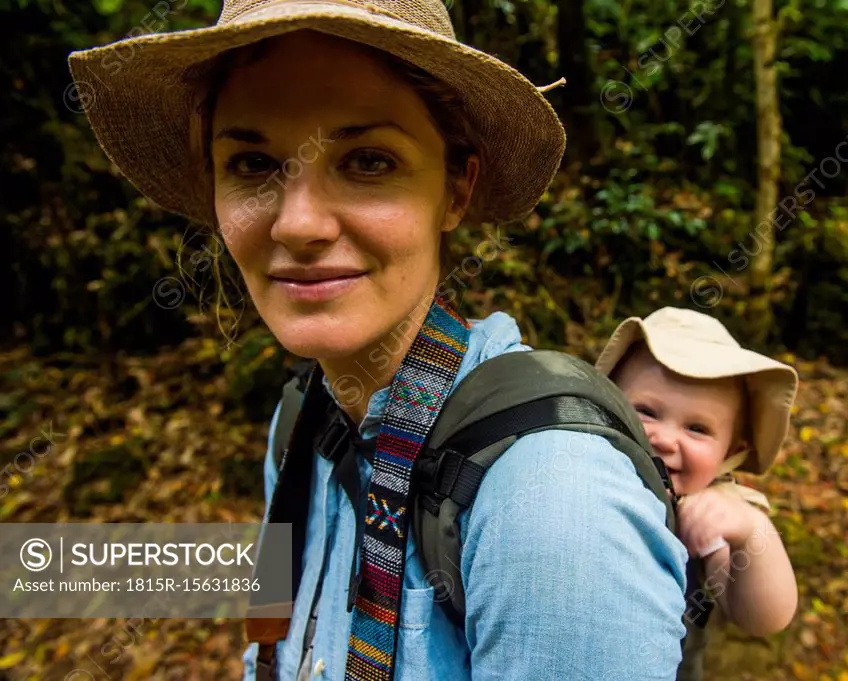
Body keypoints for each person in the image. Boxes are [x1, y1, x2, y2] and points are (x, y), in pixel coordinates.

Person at [68, 2, 690, 680]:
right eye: (252, 162)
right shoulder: (299, 427)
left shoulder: (554, 505)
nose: (297, 223)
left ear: (457, 188)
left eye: (368, 160)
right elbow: (269, 650)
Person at [595, 307, 799, 677]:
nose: (665, 439)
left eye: (698, 429)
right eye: (646, 412)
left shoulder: (708, 509)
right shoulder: (578, 469)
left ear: (732, 453)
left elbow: (763, 618)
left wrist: (750, 529)